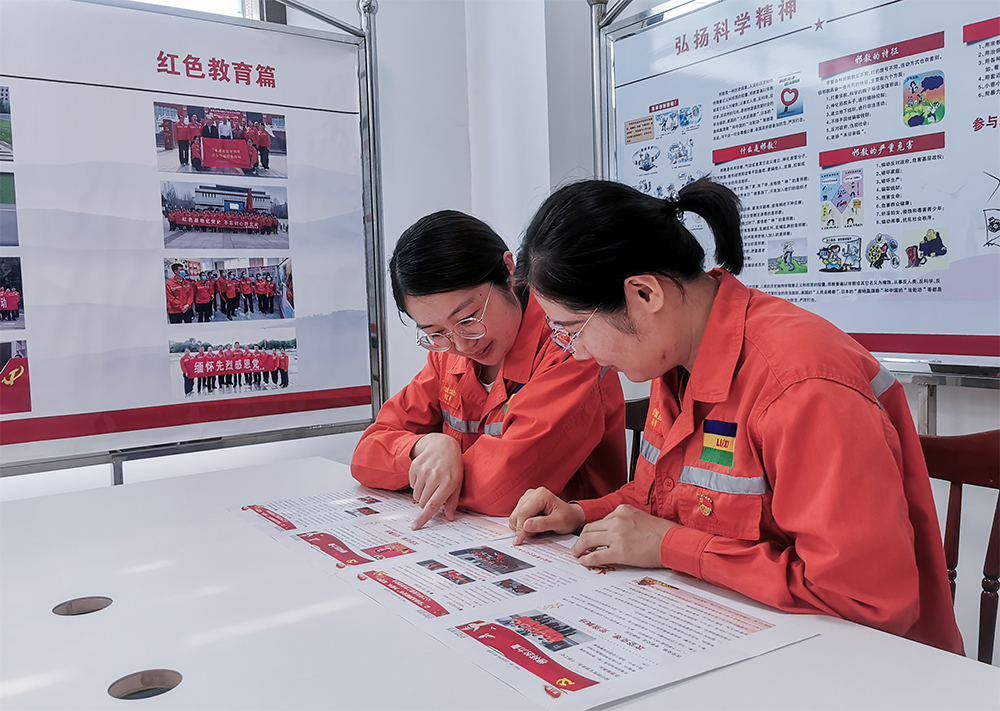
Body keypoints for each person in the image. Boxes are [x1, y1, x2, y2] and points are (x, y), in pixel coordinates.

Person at [507, 178, 964, 655]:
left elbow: (864, 599)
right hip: (739, 633)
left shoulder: (801, 387)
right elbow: (665, 497)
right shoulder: (675, 357)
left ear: (643, 294)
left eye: (573, 330)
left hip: (865, 661)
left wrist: (672, 546)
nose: (577, 353)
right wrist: (581, 514)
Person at [351, 210, 627, 530]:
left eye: (468, 319)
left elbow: (500, 489)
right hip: (471, 532)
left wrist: (423, 471)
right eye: (436, 332)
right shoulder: (447, 356)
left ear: (508, 269)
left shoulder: (572, 346)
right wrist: (424, 447)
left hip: (570, 541)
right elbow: (366, 455)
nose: (462, 344)